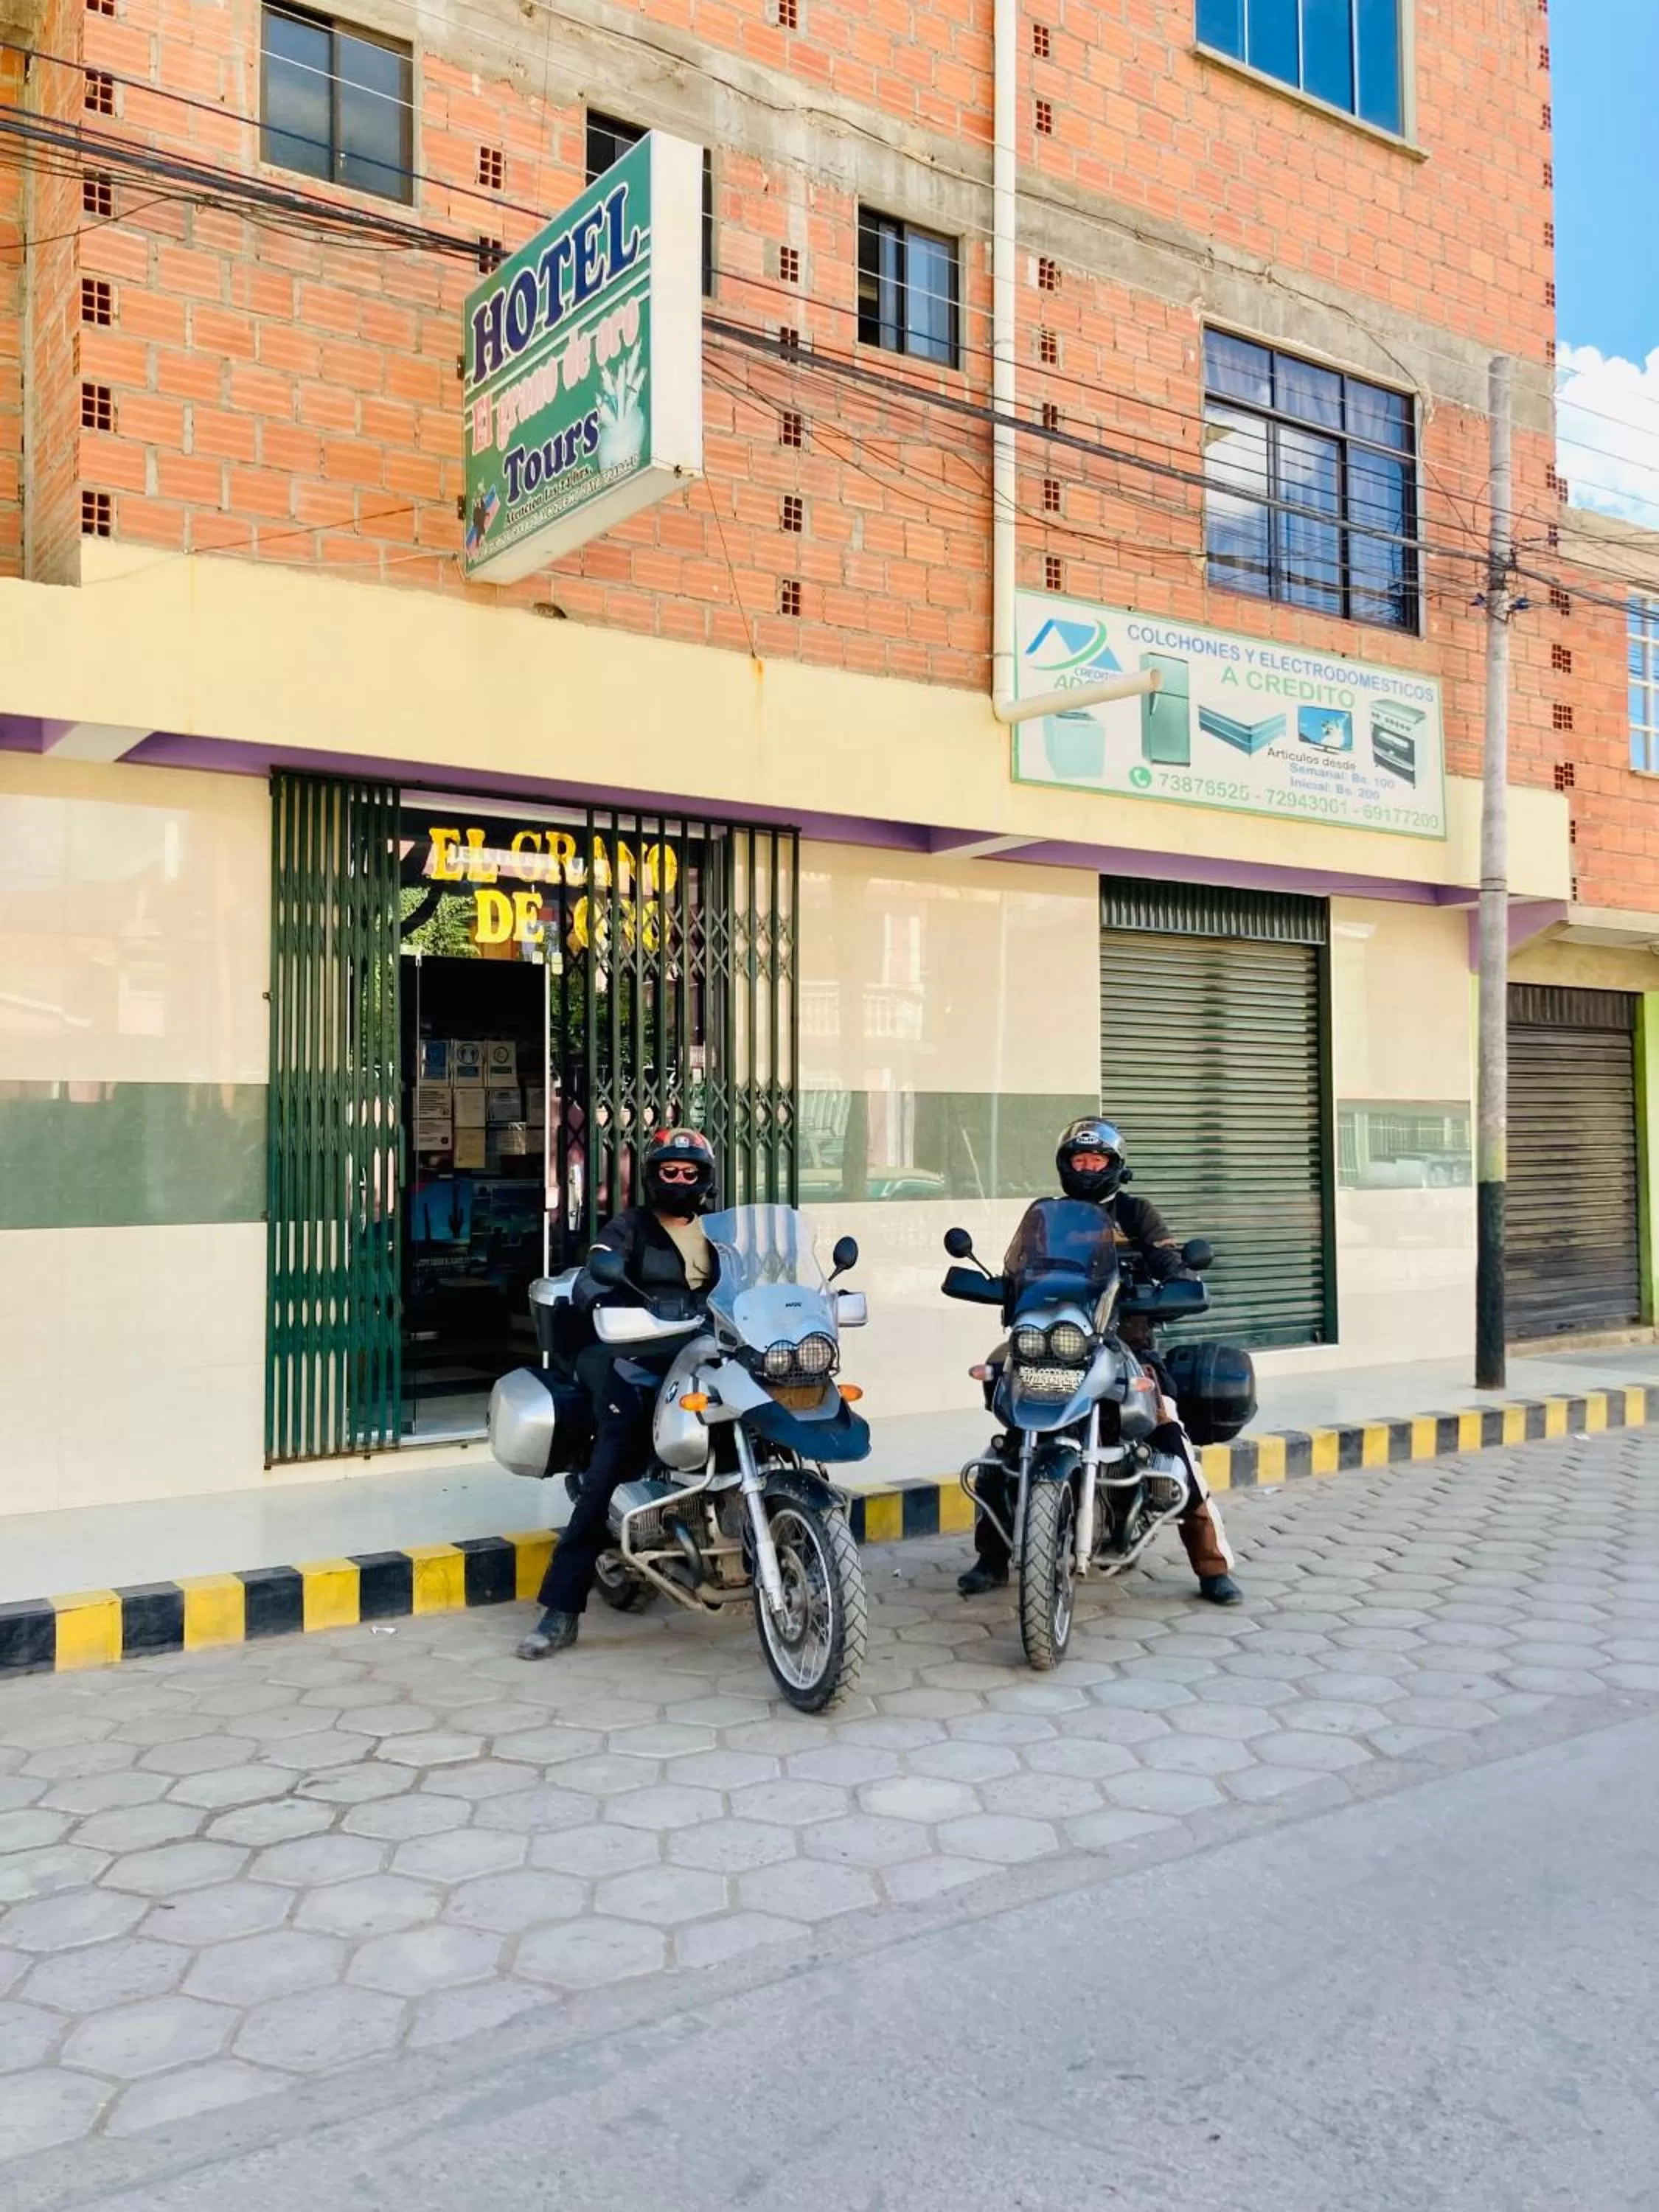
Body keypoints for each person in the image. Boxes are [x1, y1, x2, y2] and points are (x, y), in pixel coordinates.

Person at [957, 1116, 1242, 1607]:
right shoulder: (1046, 1217)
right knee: (1008, 1441)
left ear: (1115, 1165)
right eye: (1080, 1159)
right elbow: (1019, 1269)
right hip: (1054, 1343)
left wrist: (1177, 1283)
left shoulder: (1136, 1213)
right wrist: (996, 1287)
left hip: (1125, 1343)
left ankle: (1211, 1566)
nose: (1088, 1167)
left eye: (1097, 1160)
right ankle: (991, 1558)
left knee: (1170, 1437)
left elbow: (1168, 1262)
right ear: (1065, 1165)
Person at [516, 1127, 719, 1660]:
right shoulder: (630, 1227)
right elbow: (594, 1272)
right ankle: (560, 1610)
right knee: (610, 1467)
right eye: (670, 1171)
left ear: (705, 1178)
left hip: (701, 1354)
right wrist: (606, 1297)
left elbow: (759, 1278)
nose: (680, 1180)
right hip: (634, 1355)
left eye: (690, 1172)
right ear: (653, 1176)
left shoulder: (721, 1232)